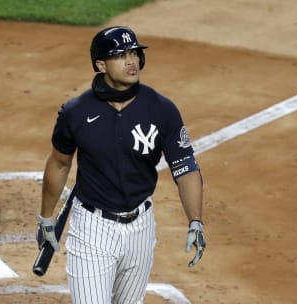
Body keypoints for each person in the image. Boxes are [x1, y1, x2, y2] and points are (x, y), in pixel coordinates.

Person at [36, 26, 205, 304]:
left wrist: (195, 221)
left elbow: (185, 168)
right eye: (121, 55)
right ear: (101, 64)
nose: (132, 61)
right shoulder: (76, 112)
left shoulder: (161, 109)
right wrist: (45, 218)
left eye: (134, 53)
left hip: (141, 227)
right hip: (92, 228)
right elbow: (59, 163)